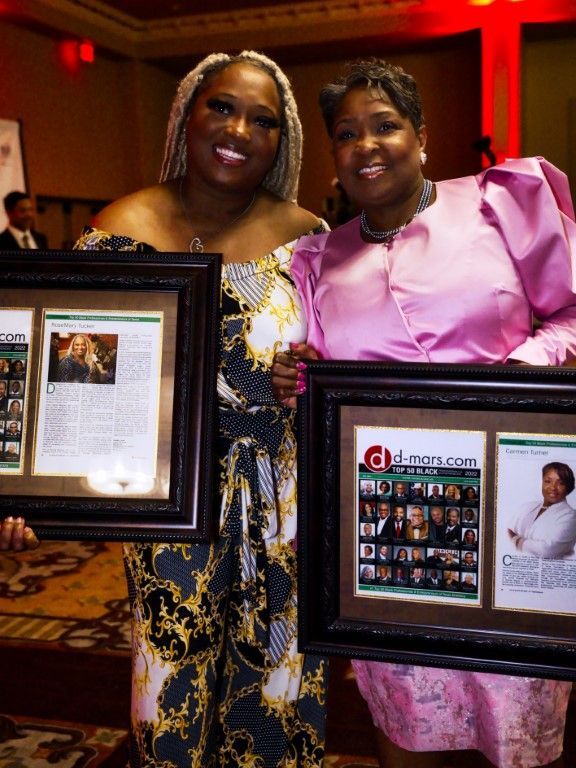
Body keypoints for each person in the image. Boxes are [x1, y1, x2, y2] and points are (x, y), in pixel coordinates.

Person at [4, 51, 327, 768]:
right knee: (172, 685)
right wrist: (23, 489)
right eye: (221, 107)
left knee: (275, 688)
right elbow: (63, 375)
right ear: (187, 114)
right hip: (162, 508)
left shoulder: (310, 239)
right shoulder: (120, 229)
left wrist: (307, 374)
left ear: (282, 141)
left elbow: (343, 367)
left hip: (282, 506)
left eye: (264, 120)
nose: (239, 129)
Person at [272, 57, 575, 768]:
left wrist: (514, 379)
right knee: (409, 725)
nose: (366, 145)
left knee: (517, 723)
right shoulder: (318, 261)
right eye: (347, 134)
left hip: (511, 506)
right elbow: (324, 387)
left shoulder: (501, 203)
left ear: (422, 136)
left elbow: (568, 313)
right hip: (391, 527)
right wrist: (299, 377)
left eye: (385, 125)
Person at [508, 462, 576, 559]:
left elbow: (547, 550)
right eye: (548, 481)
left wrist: (516, 539)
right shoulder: (527, 507)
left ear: (568, 487)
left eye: (560, 483)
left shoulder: (571, 516)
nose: (553, 487)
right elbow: (507, 531)